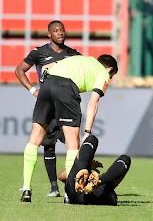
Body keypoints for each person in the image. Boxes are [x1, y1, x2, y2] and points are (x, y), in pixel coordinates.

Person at [20, 54, 118, 202]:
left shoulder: (81, 59)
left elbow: (46, 67)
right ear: (110, 69)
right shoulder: (103, 72)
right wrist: (87, 132)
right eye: (111, 76)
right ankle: (69, 193)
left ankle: (26, 188)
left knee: (34, 140)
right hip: (66, 88)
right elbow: (94, 102)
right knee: (73, 143)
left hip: (47, 84)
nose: (109, 79)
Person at [15, 20, 81, 197]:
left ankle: (69, 188)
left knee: (73, 143)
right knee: (45, 143)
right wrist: (33, 90)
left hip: (65, 102)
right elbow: (20, 70)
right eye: (56, 31)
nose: (60, 33)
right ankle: (46, 187)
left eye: (62, 30)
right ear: (49, 35)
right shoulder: (39, 52)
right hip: (47, 101)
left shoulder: (74, 55)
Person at [60, 134, 131, 205]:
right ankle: (98, 181)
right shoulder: (107, 190)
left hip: (73, 190)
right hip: (93, 197)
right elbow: (112, 200)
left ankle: (82, 170)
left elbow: (61, 176)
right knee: (126, 159)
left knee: (91, 139)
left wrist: (87, 165)